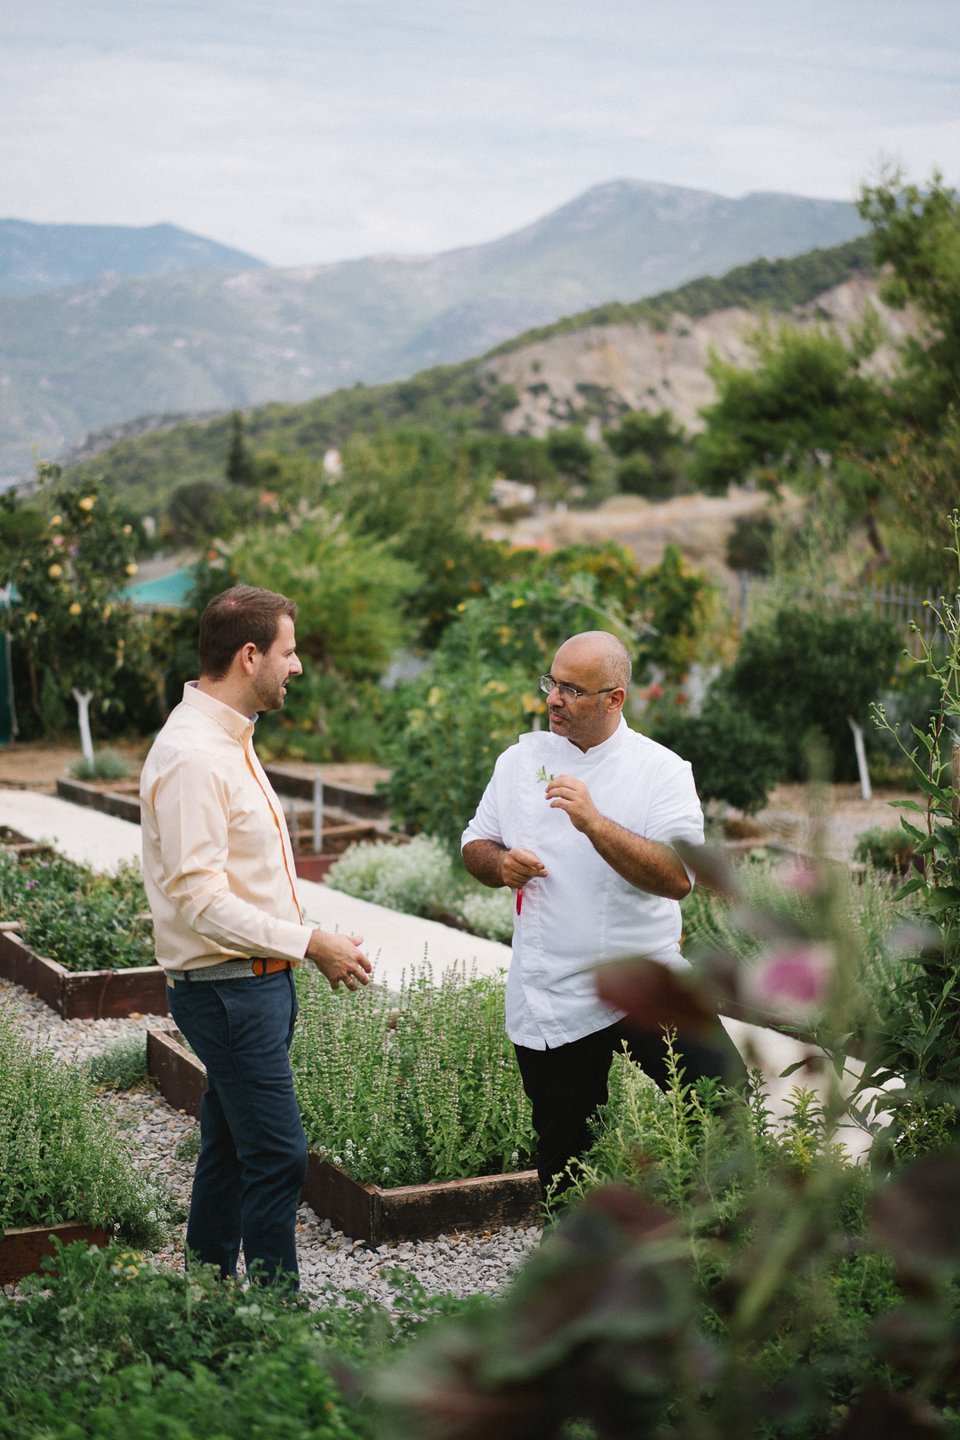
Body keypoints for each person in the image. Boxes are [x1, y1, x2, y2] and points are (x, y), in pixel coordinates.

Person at [140, 584, 371, 1286]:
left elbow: (234, 885)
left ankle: (207, 1296)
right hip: (229, 992)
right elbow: (202, 902)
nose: (296, 665)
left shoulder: (227, 741)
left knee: (233, 1148)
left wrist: (305, 940)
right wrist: (311, 943)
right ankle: (275, 1327)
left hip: (249, 986)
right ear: (249, 656)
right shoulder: (194, 757)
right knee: (277, 1155)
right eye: (288, 651)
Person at [461, 629, 743, 1197]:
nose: (553, 700)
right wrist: (501, 864)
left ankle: (727, 1236)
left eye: (571, 689)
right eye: (552, 683)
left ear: (614, 698)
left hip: (645, 978)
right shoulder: (520, 762)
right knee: (565, 1153)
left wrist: (593, 823)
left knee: (726, 1103)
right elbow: (475, 844)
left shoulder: (662, 772)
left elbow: (677, 878)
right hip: (554, 988)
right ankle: (570, 1261)